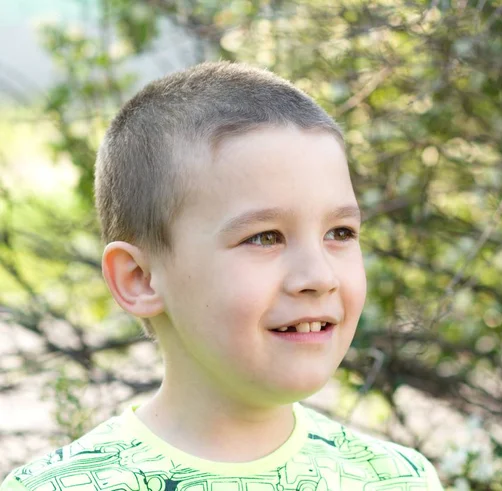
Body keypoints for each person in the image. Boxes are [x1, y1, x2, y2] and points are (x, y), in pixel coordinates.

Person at [1, 62, 443, 490]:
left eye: (340, 232)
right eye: (265, 237)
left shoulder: (397, 478)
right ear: (139, 278)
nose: (319, 276)